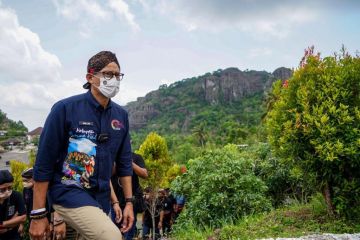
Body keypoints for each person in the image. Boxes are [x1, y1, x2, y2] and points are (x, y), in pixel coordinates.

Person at [30, 51, 134, 240]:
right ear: (90, 77)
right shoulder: (65, 109)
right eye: (107, 74)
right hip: (69, 191)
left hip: (101, 197)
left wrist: (128, 202)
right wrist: (38, 214)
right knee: (111, 236)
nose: (114, 80)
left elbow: (125, 162)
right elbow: (43, 163)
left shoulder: (121, 116)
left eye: (117, 75)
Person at [21, 167, 67, 239]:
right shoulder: (26, 190)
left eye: (26, 180)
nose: (24, 183)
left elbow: (52, 208)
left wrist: (52, 223)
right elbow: (26, 205)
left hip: (46, 221)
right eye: (23, 181)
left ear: (34, 179)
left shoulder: (45, 190)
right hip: (33, 221)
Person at [111, 152, 148, 240]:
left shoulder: (137, 157)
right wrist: (118, 163)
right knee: (114, 231)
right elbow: (106, 174)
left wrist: (130, 163)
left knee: (129, 231)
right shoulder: (111, 155)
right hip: (115, 202)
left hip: (131, 201)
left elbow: (145, 174)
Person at [0, 170, 26, 240]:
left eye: (10, 188)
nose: (7, 191)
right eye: (2, 189)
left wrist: (3, 224)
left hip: (13, 235)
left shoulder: (16, 195)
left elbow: (23, 217)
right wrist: (14, 220)